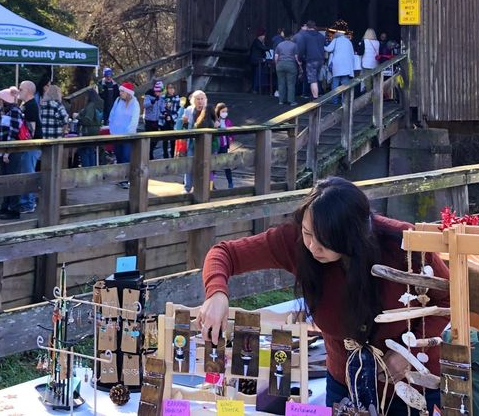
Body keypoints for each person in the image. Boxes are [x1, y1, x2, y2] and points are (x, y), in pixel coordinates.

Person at [198, 177, 449, 413]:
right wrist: (216, 293)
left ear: (352, 236)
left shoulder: (403, 245)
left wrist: (409, 352)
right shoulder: (296, 242)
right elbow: (225, 254)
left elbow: (449, 300)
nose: (313, 247)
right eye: (308, 233)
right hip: (344, 386)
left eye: (326, 241)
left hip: (412, 385)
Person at [0, 87, 27, 221]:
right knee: (5, 179)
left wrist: (7, 152)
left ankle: (14, 209)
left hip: (12, 151)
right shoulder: (6, 112)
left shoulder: (14, 112)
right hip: (4, 150)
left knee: (12, 179)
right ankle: (5, 206)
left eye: (0, 99)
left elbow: (12, 133)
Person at [107, 82, 141, 180]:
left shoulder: (135, 103)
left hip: (127, 137)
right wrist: (112, 128)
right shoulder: (117, 100)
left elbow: (134, 121)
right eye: (120, 91)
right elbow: (112, 115)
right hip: (116, 135)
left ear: (128, 92)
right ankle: (120, 178)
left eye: (122, 91)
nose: (120, 93)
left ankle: (126, 179)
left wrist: (128, 134)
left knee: (126, 157)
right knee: (118, 156)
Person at [17, 80, 41, 212]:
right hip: (27, 145)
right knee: (25, 171)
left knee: (28, 172)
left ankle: (28, 203)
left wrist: (27, 143)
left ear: (27, 91)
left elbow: (32, 128)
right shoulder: (25, 104)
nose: (19, 91)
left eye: (20, 89)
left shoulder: (31, 105)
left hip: (31, 145)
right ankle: (26, 201)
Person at [176, 89, 206, 193]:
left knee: (203, 165)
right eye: (198, 99)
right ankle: (187, 187)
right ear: (193, 100)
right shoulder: (188, 110)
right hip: (190, 142)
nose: (200, 101)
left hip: (204, 143)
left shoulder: (208, 110)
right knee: (189, 165)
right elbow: (180, 127)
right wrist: (183, 120)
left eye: (202, 99)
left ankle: (200, 187)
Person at [325, 20, 356, 104]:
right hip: (346, 66)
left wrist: (323, 45)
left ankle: (334, 100)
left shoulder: (336, 40)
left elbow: (329, 49)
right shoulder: (349, 42)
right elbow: (352, 54)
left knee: (335, 83)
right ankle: (344, 101)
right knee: (345, 84)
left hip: (337, 65)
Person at [210, 102, 235, 190]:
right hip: (216, 146)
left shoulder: (228, 121)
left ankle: (230, 183)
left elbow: (232, 132)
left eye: (226, 111)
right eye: (223, 111)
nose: (225, 113)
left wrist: (231, 139)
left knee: (226, 165)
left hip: (225, 145)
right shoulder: (215, 121)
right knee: (213, 166)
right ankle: (211, 184)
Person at [75, 88, 102, 168]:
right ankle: (92, 172)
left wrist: (78, 117)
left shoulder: (91, 105)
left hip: (87, 133)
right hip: (95, 132)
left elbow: (87, 120)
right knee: (91, 152)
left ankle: (86, 172)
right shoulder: (99, 104)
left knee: (84, 152)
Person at [273, 33, 300, 107]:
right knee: (291, 83)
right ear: (291, 37)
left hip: (280, 64)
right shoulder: (294, 45)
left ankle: (281, 100)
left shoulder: (279, 45)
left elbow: (276, 57)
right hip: (291, 65)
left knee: (281, 83)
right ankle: (291, 101)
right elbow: (296, 57)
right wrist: (299, 64)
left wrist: (277, 64)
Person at [142, 81, 166, 151]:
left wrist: (165, 112)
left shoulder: (160, 97)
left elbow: (162, 107)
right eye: (158, 91)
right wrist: (153, 101)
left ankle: (151, 150)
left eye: (160, 92)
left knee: (156, 138)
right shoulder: (148, 96)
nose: (159, 93)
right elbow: (145, 105)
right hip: (148, 120)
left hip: (156, 120)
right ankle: (148, 153)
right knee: (149, 138)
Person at [160, 83, 180, 159]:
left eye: (172, 88)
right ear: (167, 89)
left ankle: (172, 155)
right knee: (165, 139)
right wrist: (165, 115)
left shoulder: (177, 98)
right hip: (164, 120)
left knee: (173, 140)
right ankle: (165, 155)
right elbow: (161, 109)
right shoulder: (163, 98)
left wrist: (172, 117)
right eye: (169, 88)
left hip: (173, 121)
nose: (171, 89)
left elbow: (179, 110)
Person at [249, 29, 268, 93]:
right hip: (256, 61)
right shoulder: (257, 42)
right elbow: (263, 48)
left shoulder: (258, 42)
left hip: (257, 61)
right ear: (261, 36)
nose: (264, 37)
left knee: (257, 75)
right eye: (263, 36)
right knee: (257, 75)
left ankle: (256, 88)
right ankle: (255, 89)